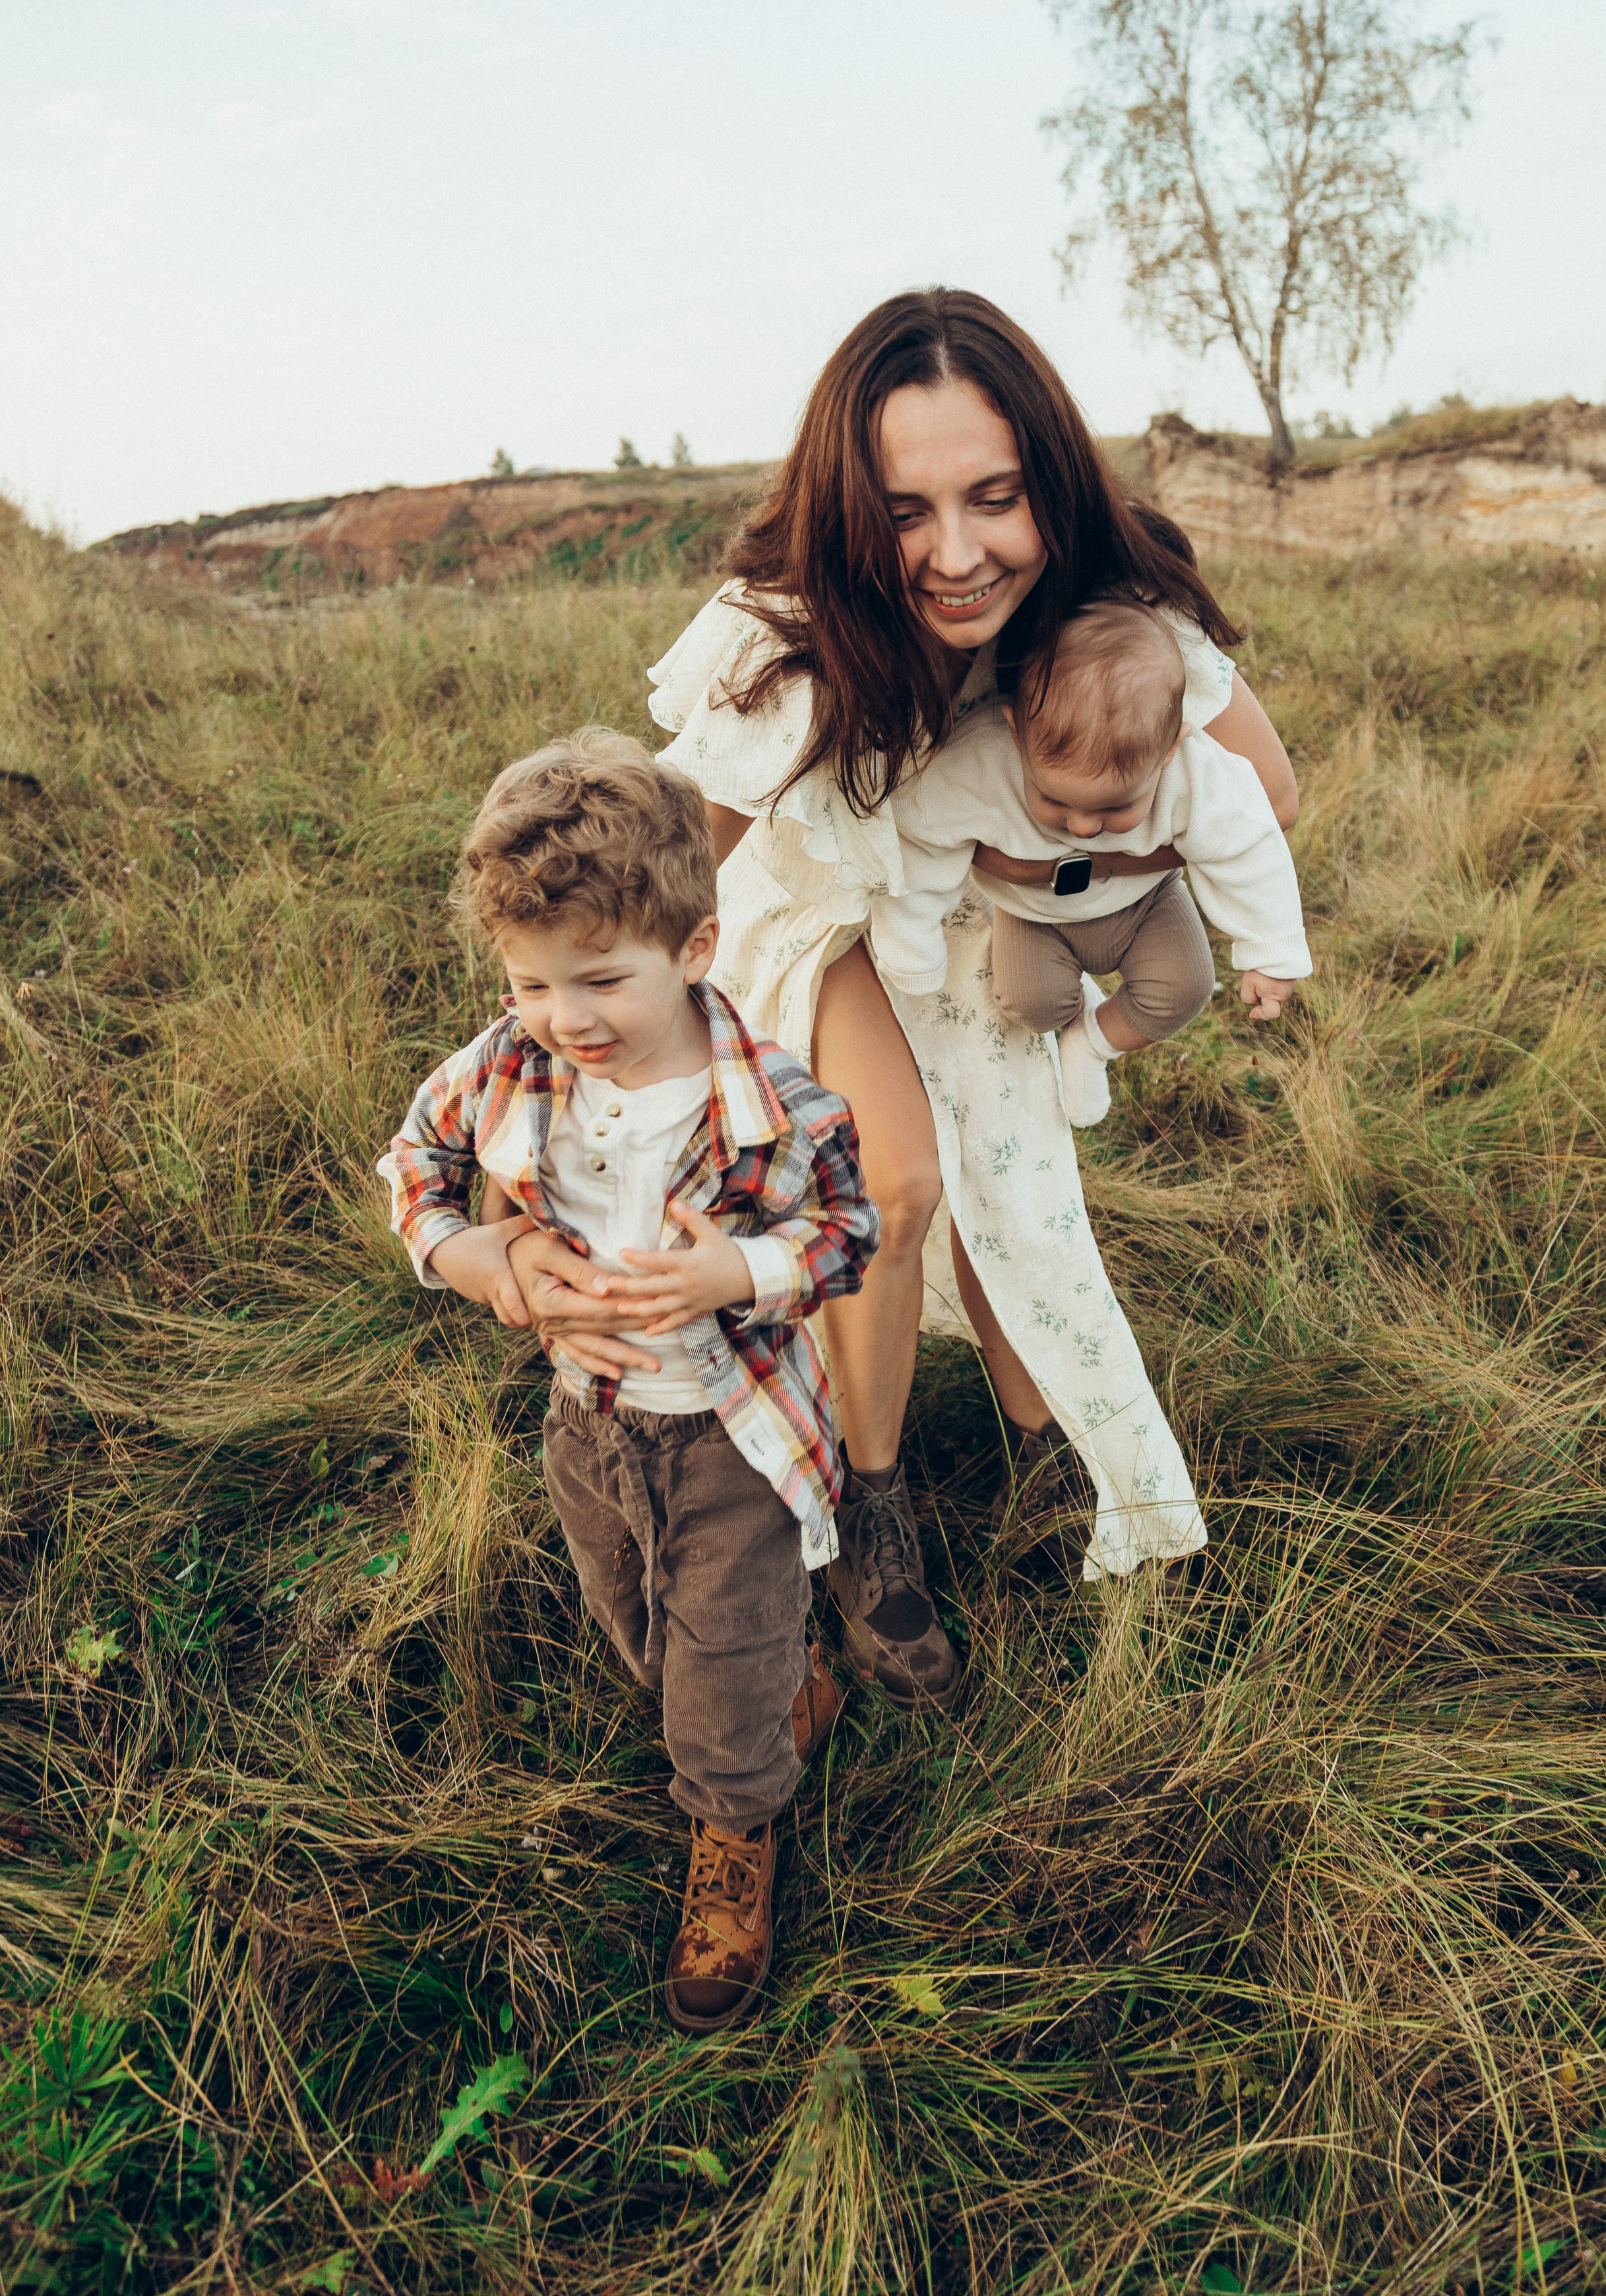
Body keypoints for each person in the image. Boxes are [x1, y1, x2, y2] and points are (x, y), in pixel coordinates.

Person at [501, 287, 1299, 1707]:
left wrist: (1057, 861)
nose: (953, 554)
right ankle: (867, 1513)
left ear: (1045, 479)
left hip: (968, 912)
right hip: (818, 909)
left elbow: (1267, 795)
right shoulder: (795, 632)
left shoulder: (1114, 605)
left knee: (1011, 1160)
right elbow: (679, 855)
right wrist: (547, 1050)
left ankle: (1035, 1434)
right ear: (850, 505)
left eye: (993, 499)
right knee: (894, 1167)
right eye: (904, 509)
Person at [377, 729, 879, 2034]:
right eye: (532, 982)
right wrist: (482, 1252)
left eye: (599, 980)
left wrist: (737, 1276)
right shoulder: (508, 1062)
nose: (564, 1018)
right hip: (588, 1427)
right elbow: (415, 1167)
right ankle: (780, 1695)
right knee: (639, 1637)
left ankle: (735, 1832)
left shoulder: (776, 1103)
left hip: (728, 1441)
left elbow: (847, 1234)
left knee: (706, 1686)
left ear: (693, 950)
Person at [868, 595, 1311, 1127]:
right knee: (1031, 1005)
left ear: (1170, 748)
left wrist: (1271, 950)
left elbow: (1249, 842)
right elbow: (922, 838)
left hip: (1144, 901)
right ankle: (1070, 1010)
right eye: (1054, 800)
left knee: (1184, 988)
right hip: (1034, 913)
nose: (1082, 828)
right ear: (1015, 733)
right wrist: (911, 944)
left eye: (1116, 806)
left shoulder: (1193, 772)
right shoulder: (980, 764)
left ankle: (1092, 1044)